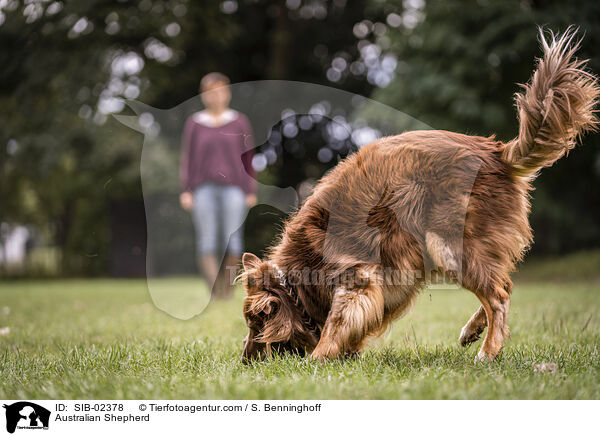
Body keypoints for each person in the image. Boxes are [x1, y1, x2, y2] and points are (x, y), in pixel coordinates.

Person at [179, 72, 257, 299]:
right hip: (203, 189)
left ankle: (227, 291)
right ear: (204, 96)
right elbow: (188, 159)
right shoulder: (194, 123)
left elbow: (248, 157)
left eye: (221, 90)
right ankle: (215, 293)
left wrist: (250, 190)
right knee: (207, 240)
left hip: (234, 189)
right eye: (211, 92)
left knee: (233, 240)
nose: (216, 96)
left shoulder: (239, 121)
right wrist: (186, 190)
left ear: (228, 93)